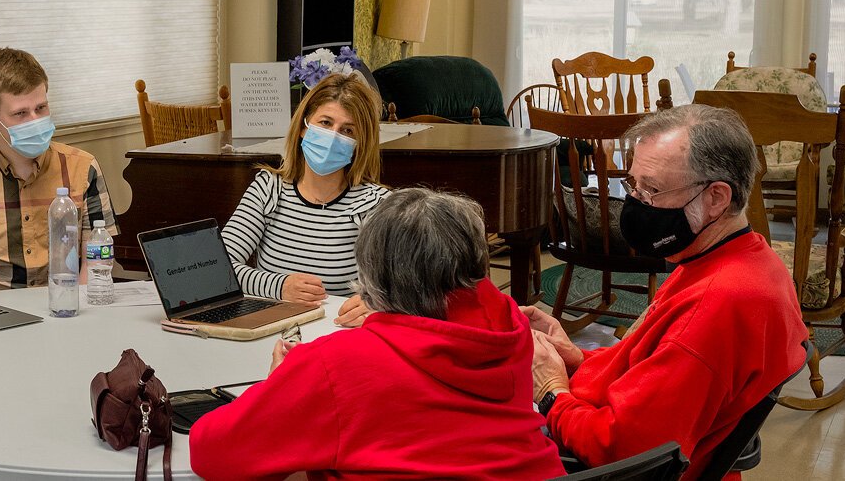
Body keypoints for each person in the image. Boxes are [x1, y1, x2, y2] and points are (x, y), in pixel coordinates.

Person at [190, 188, 566, 480]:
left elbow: (212, 453)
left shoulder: (337, 365)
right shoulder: (513, 330)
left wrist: (278, 383)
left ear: (374, 277)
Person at [526, 105, 809, 480]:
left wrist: (550, 393)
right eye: (634, 185)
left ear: (716, 198)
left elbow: (618, 451)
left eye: (653, 190)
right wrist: (576, 358)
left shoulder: (715, 305)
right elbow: (651, 367)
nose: (636, 202)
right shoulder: (740, 259)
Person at [0, 47, 119, 291]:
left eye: (41, 108)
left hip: (68, 304)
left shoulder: (83, 168)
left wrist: (78, 310)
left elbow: (97, 260)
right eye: (20, 113)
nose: (35, 121)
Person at [220, 72, 390, 326]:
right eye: (325, 123)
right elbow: (219, 267)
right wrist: (279, 286)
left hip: (339, 334)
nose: (333, 136)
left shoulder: (375, 204)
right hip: (271, 328)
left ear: (360, 143)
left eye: (347, 130)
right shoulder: (269, 189)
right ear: (303, 127)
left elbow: (404, 283)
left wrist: (377, 303)